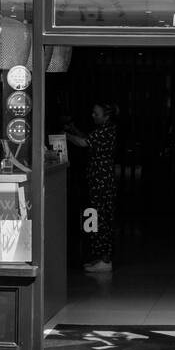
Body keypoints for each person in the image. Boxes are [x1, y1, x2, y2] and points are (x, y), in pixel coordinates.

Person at [66, 102, 119, 273]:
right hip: (98, 179)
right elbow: (87, 137)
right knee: (96, 216)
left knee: (101, 217)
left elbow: (84, 142)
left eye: (96, 113)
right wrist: (73, 130)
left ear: (106, 115)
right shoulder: (103, 129)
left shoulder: (106, 130)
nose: (93, 116)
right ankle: (98, 257)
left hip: (102, 180)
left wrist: (66, 135)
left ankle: (105, 258)